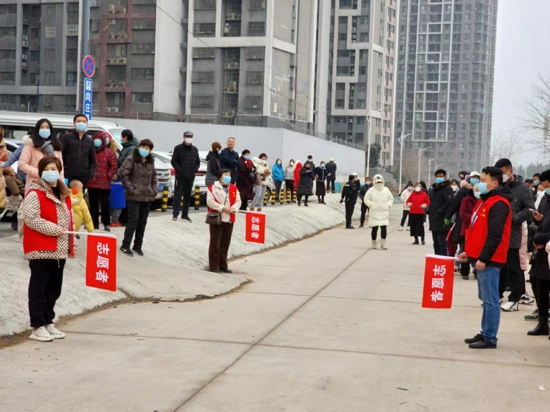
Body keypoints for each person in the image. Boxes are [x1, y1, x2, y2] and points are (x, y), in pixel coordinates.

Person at [21, 156, 76, 342]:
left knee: (53, 289)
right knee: (39, 288)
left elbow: (70, 220)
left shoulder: (64, 193)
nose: (51, 172)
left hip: (60, 250)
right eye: (47, 168)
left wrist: (72, 244)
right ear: (41, 171)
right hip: (41, 249)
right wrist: (55, 229)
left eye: (54, 168)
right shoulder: (34, 193)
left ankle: (48, 321)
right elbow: (31, 219)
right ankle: (37, 326)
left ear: (59, 171)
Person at [459, 167, 512, 349]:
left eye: (483, 180)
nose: (478, 184)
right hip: (481, 257)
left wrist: (483, 258)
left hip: (490, 260)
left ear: (494, 183)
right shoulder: (484, 201)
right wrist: (470, 253)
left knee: (491, 300)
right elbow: (478, 232)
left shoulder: (498, 204)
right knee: (486, 299)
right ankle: (485, 332)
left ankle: (490, 337)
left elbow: (494, 235)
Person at [494, 158, 536, 311]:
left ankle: (515, 298)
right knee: (499, 267)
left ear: (510, 171)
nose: (501, 176)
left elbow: (530, 209)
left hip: (512, 234)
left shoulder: (523, 189)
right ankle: (497, 296)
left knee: (513, 267)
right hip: (498, 234)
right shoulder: (499, 187)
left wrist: (513, 219)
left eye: (502, 173)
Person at [119, 139, 158, 257]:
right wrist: (131, 189)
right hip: (134, 196)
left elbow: (154, 178)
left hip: (147, 196)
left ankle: (137, 246)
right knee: (133, 221)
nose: (144, 150)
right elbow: (124, 176)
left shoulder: (150, 161)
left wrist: (154, 190)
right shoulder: (131, 159)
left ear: (150, 150)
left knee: (142, 222)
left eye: (147, 148)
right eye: (142, 147)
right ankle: (125, 245)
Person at [527, 169, 550, 336]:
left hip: (547, 246)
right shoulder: (545, 199)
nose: (545, 188)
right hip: (541, 252)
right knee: (539, 286)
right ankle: (542, 323)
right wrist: (535, 236)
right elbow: (536, 223)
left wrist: (543, 238)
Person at [206, 169, 242, 273]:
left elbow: (238, 201)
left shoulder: (233, 188)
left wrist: (234, 208)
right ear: (220, 176)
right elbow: (210, 202)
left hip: (229, 218)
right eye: (226, 174)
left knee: (225, 243)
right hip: (217, 217)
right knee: (215, 242)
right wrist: (222, 208)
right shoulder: (213, 187)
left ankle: (223, 265)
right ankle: (213, 265)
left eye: (229, 175)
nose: (228, 177)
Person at [19, 118, 64, 195]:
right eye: (42, 127)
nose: (45, 129)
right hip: (35, 184)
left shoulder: (56, 146)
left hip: (53, 185)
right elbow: (22, 164)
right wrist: (40, 173)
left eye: (47, 127)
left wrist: (61, 183)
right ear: (37, 130)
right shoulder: (30, 146)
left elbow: (60, 167)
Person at [87, 131, 117, 231]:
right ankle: (94, 223)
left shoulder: (109, 152)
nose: (97, 141)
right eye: (95, 139)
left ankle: (106, 223)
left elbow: (114, 165)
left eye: (99, 139)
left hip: (105, 183)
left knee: (105, 205)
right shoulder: (90, 151)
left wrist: (109, 175)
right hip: (92, 182)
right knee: (93, 204)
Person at [59, 114, 96, 189]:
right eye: (79, 121)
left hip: (84, 175)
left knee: (79, 195)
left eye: (84, 121)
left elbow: (92, 160)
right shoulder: (66, 137)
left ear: (87, 124)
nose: (81, 123)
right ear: (74, 123)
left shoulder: (90, 141)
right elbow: (60, 155)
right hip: (68, 174)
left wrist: (90, 173)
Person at [171, 130, 200, 223]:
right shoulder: (178, 148)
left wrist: (195, 169)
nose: (189, 138)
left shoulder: (195, 149)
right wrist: (179, 170)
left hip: (190, 176)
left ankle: (185, 214)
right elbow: (174, 161)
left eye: (190, 137)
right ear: (183, 137)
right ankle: (175, 214)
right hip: (180, 177)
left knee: (187, 196)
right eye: (187, 136)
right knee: (177, 195)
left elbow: (197, 162)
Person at [428, 169, 454, 256]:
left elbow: (449, 202)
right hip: (433, 219)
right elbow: (430, 202)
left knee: (441, 242)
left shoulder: (447, 188)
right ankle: (437, 258)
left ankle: (442, 259)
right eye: (437, 176)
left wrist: (440, 211)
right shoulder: (433, 189)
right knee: (435, 242)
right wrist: (428, 210)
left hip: (442, 219)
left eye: (441, 176)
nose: (439, 178)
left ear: (445, 177)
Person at [364, 174, 394, 250]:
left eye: (380, 182)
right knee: (374, 228)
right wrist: (371, 205)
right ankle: (373, 243)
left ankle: (383, 244)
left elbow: (391, 199)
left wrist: (388, 205)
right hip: (374, 213)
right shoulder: (371, 190)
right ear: (374, 182)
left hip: (384, 213)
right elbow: (366, 199)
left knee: (384, 228)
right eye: (377, 182)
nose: (379, 183)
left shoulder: (386, 190)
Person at [459, 183, 480, 279]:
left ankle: (476, 270)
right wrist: (474, 219)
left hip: (479, 229)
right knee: (465, 249)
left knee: (478, 250)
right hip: (468, 229)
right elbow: (462, 213)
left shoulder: (483, 201)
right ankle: (464, 271)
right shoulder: (466, 200)